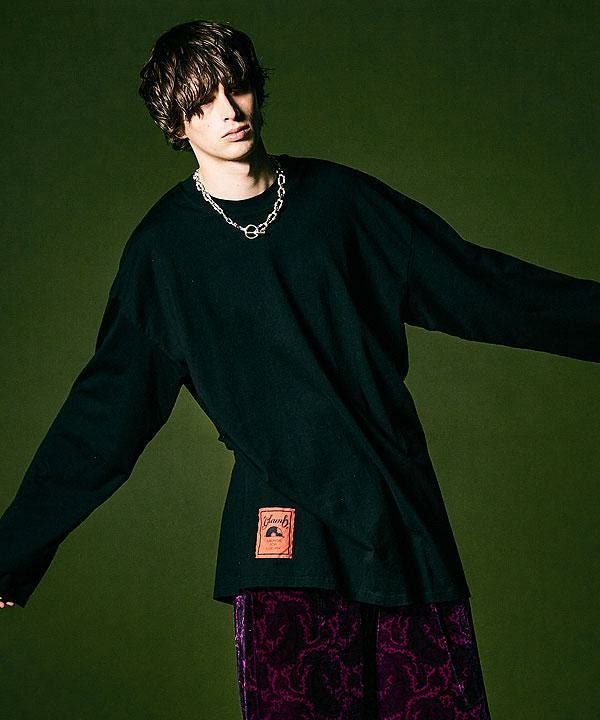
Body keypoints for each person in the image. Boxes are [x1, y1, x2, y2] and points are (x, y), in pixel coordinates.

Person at [1, 18, 598, 719]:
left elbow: (482, 287)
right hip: (282, 537)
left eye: (237, 87)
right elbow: (105, 416)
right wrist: (16, 548)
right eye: (202, 101)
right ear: (175, 122)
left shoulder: (344, 205)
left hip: (396, 514)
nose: (228, 110)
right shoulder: (164, 253)